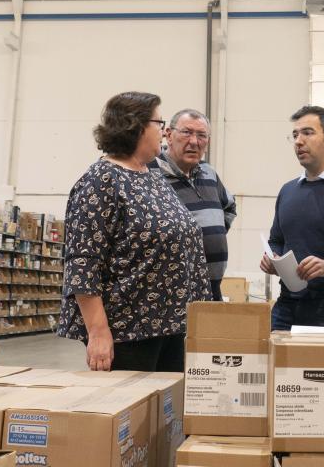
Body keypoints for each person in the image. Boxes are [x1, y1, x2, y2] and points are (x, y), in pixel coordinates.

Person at [58, 91, 211, 372]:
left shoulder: (153, 178)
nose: (164, 131)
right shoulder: (101, 181)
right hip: (129, 331)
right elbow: (82, 264)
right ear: (135, 126)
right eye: (159, 123)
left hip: (172, 326)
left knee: (170, 400)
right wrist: (98, 332)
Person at [261, 105, 324, 331]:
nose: (298, 141)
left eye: (307, 133)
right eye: (295, 135)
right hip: (286, 307)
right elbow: (276, 239)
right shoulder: (287, 191)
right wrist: (273, 257)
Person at [151, 108, 237, 302]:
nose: (194, 142)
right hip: (169, 295)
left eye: (201, 135)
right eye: (187, 132)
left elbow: (229, 207)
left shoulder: (209, 173)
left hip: (212, 290)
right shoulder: (150, 174)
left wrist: (211, 233)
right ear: (168, 135)